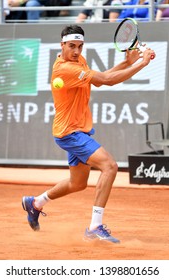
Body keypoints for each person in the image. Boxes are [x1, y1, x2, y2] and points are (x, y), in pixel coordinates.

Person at [22, 24, 155, 243]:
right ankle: (95, 226)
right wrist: (142, 62)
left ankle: (35, 203)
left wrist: (126, 62)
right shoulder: (65, 68)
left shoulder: (78, 61)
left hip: (76, 130)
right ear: (62, 45)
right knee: (110, 166)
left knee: (78, 184)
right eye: (72, 46)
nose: (76, 51)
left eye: (80, 46)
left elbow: (100, 78)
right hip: (70, 133)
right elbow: (108, 81)